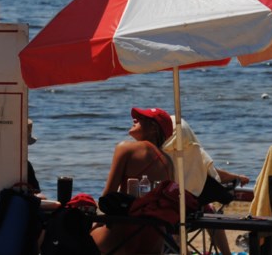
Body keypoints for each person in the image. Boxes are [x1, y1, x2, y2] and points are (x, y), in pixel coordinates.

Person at [91, 107, 174, 255]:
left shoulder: (126, 148)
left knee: (76, 238)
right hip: (154, 237)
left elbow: (107, 197)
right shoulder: (169, 161)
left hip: (123, 232)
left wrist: (93, 223)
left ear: (154, 128)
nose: (134, 119)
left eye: (141, 118)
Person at [162, 117, 249, 255]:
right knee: (211, 210)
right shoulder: (194, 152)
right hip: (191, 213)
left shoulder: (159, 153)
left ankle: (178, 247)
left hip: (163, 215)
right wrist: (237, 177)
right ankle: (226, 253)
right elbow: (215, 175)